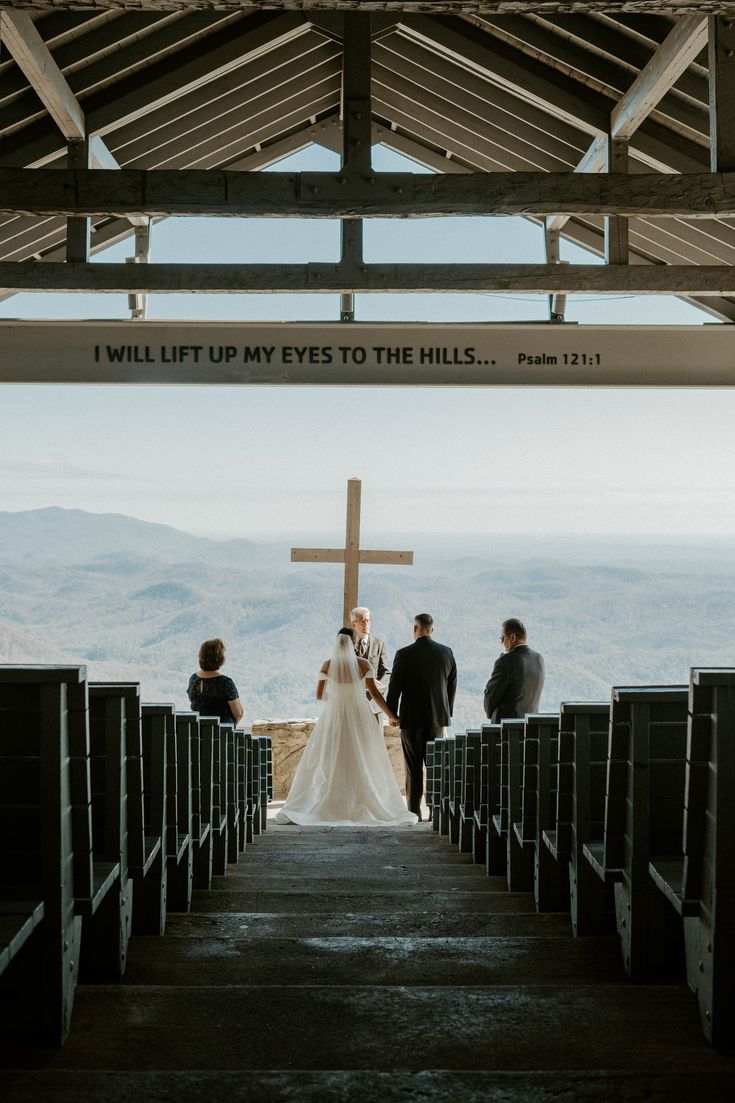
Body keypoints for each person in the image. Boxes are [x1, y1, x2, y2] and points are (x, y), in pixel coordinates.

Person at [275, 628, 417, 827]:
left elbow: (319, 695)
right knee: (362, 757)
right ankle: (361, 799)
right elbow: (375, 694)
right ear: (353, 643)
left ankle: (333, 800)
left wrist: (337, 700)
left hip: (334, 718)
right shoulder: (363, 664)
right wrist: (392, 716)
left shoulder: (327, 665)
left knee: (333, 757)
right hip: (360, 715)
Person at [386, 613, 457, 821]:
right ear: (431, 630)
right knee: (435, 768)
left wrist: (392, 715)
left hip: (411, 720)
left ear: (414, 629)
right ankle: (435, 813)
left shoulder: (404, 654)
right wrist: (446, 713)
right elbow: (451, 687)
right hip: (437, 720)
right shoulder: (447, 652)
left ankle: (414, 813)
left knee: (413, 769)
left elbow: (394, 688)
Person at [483, 618, 544, 722]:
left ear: (512, 637)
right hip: (530, 726)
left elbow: (491, 695)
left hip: (506, 728)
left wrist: (490, 714)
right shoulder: (538, 659)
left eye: (502, 638)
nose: (502, 643)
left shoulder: (506, 661)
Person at [187, 637, 244, 724]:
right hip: (221, 733)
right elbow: (238, 714)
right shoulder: (225, 682)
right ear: (220, 658)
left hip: (198, 732)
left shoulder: (193, 679)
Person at [350, 605, 390, 725]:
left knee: (375, 739)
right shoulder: (348, 644)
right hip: (352, 703)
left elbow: (386, 671)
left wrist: (380, 686)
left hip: (375, 703)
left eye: (367, 620)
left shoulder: (379, 643)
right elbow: (344, 672)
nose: (365, 624)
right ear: (353, 624)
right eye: (361, 621)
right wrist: (364, 682)